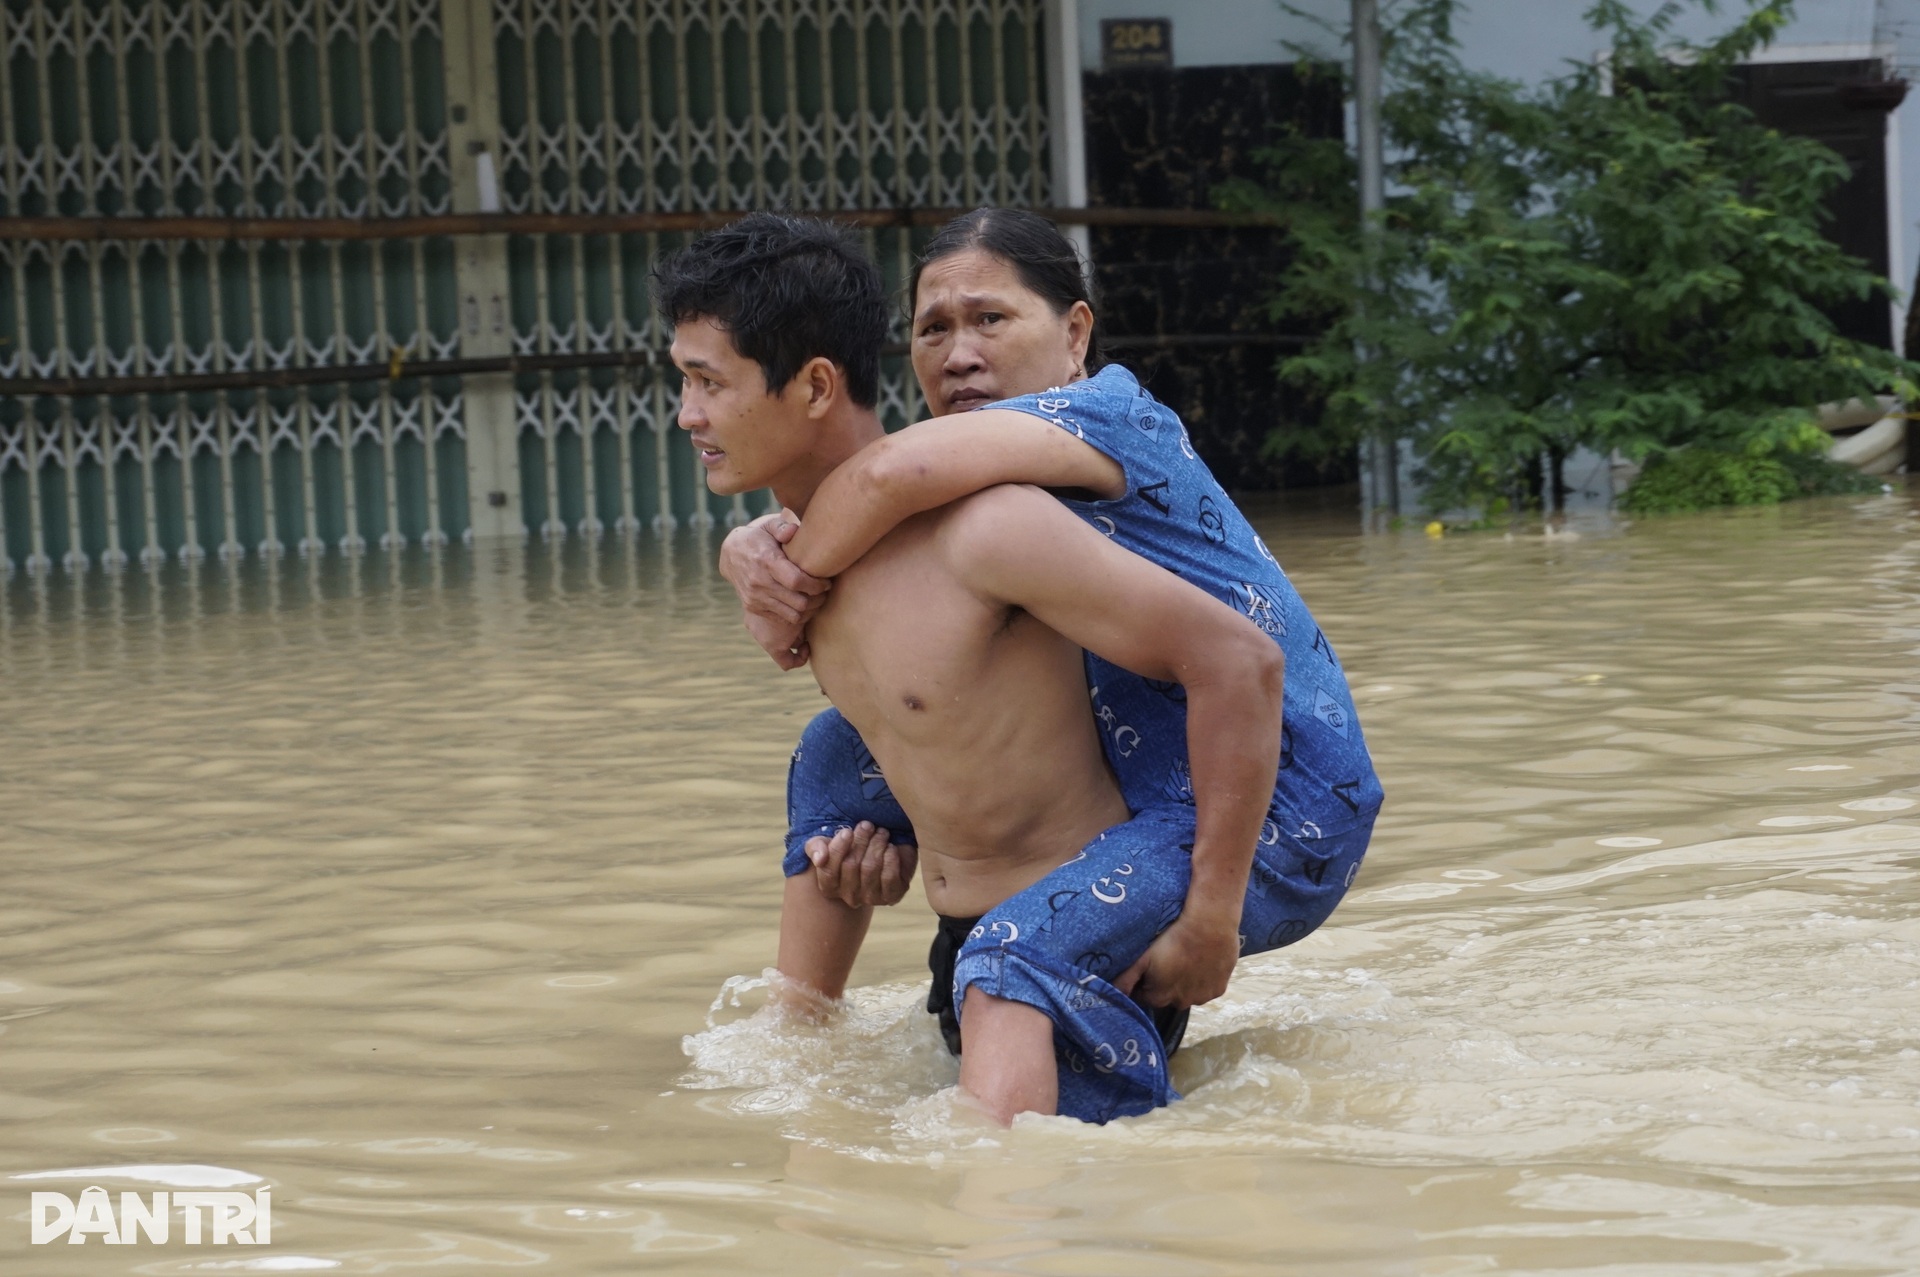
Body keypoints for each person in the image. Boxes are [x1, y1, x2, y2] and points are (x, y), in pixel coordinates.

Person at [719, 208, 1384, 1113]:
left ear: (1075, 334)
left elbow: (882, 477)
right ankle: (796, 1045)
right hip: (1168, 761)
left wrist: (778, 587)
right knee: (836, 748)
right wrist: (750, 545)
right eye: (933, 328)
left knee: (1009, 961)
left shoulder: (1111, 413)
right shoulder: (991, 485)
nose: (958, 353)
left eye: (990, 319)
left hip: (1282, 793)